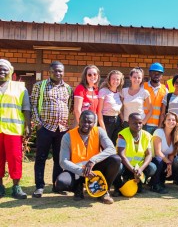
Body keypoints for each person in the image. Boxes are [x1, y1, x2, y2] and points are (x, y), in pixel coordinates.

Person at [55, 110, 120, 204]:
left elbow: (111, 149)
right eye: (83, 121)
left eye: (90, 122)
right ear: (79, 120)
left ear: (94, 123)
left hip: (95, 169)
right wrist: (82, 172)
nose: (86, 124)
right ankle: (78, 188)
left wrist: (93, 160)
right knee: (61, 183)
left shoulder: (99, 131)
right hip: (76, 170)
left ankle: (104, 191)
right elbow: (63, 161)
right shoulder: (67, 136)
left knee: (115, 159)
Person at [30, 61, 73, 198]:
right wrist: (39, 124)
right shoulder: (40, 86)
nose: (58, 73)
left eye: (60, 71)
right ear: (50, 72)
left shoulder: (68, 88)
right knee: (41, 157)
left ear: (63, 72)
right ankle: (39, 186)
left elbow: (70, 107)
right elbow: (33, 106)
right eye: (55, 71)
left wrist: (69, 124)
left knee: (59, 159)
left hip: (62, 129)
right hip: (45, 128)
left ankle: (57, 186)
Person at [0, 59, 31, 199]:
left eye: (5, 69)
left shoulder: (20, 88)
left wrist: (28, 126)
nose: (2, 71)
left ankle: (16, 187)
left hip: (13, 130)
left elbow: (26, 108)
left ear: (11, 71)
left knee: (15, 159)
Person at [114, 112, 157, 195]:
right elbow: (121, 155)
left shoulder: (146, 135)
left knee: (152, 167)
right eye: (134, 123)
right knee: (117, 166)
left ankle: (138, 183)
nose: (138, 125)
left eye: (140, 123)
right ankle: (118, 187)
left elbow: (149, 154)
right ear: (129, 123)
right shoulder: (123, 135)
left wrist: (140, 170)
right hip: (126, 166)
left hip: (139, 167)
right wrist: (133, 170)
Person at [150, 112, 178, 193]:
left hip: (165, 162)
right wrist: (168, 163)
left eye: (173, 120)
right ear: (164, 121)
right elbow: (158, 152)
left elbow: (172, 153)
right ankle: (154, 185)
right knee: (159, 159)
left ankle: (161, 181)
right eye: (169, 119)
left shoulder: (175, 135)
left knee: (177, 161)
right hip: (153, 160)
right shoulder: (159, 132)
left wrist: (170, 164)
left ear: (176, 123)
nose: (171, 121)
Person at [97, 70, 124, 145]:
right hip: (106, 121)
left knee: (115, 144)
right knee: (105, 145)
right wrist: (103, 128)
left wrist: (123, 121)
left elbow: (119, 110)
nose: (115, 81)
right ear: (109, 79)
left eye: (118, 79)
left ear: (120, 81)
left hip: (117, 121)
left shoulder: (119, 92)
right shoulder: (103, 91)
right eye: (113, 79)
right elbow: (99, 112)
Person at [143, 63, 167, 134]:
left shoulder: (165, 90)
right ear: (150, 73)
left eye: (159, 73)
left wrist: (161, 125)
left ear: (162, 76)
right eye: (154, 72)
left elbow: (164, 110)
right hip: (144, 123)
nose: (156, 75)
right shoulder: (143, 87)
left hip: (158, 125)